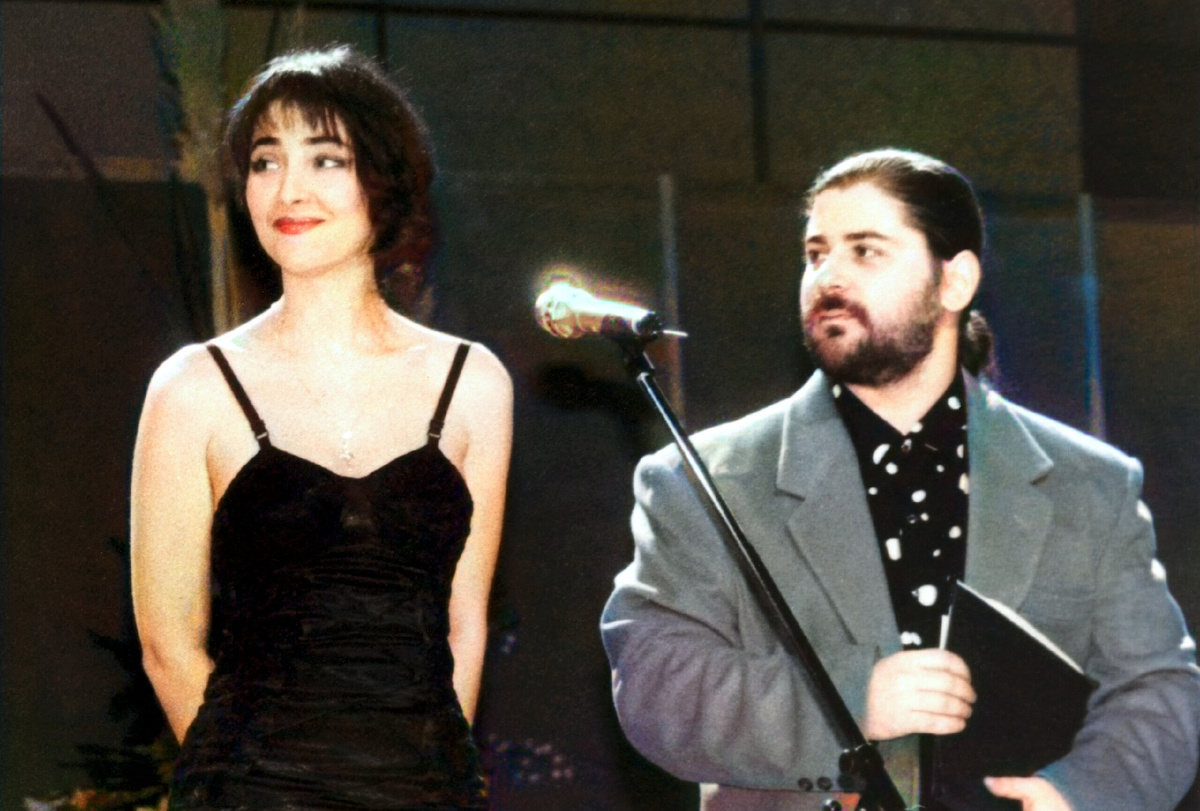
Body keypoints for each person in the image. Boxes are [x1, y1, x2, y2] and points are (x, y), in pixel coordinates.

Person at [601, 149, 1199, 811]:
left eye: (865, 251)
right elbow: (654, 683)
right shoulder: (701, 477)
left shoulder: (1091, 482)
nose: (829, 276)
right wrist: (854, 697)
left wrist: (1076, 796)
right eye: (816, 254)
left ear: (955, 281)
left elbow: (1158, 688)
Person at [131, 46, 513, 809]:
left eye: (325, 158)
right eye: (265, 161)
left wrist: (428, 784)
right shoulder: (192, 387)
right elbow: (169, 645)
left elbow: (464, 625)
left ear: (384, 178)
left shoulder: (473, 383)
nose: (289, 189)